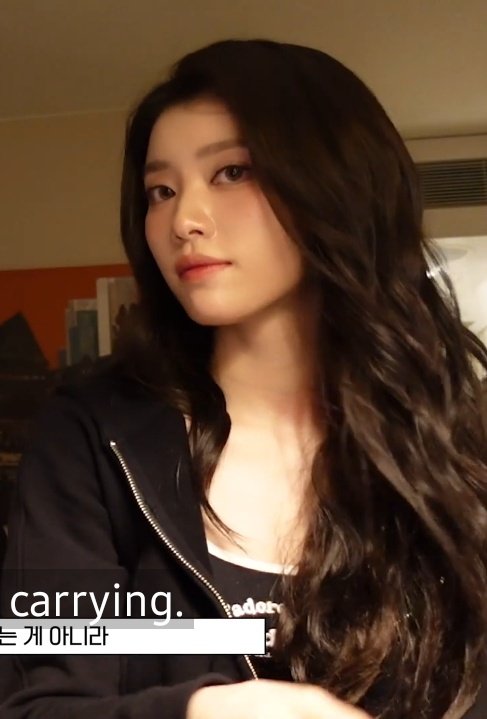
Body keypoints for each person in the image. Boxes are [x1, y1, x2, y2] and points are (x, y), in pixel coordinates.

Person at [1, 38, 487, 719]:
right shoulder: (90, 439)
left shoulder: (452, 441)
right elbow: (38, 704)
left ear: (336, 186)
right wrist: (207, 712)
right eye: (161, 191)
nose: (183, 220)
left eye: (231, 172)